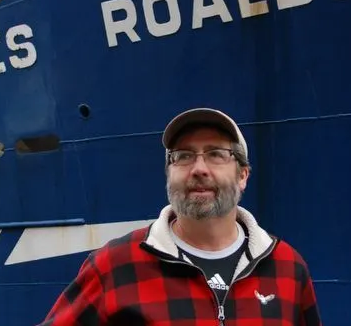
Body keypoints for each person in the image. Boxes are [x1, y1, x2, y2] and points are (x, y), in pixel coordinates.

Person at [38, 107, 322, 325]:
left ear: (243, 175)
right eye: (184, 156)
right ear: (169, 173)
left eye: (216, 154)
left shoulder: (287, 267)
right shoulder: (115, 266)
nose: (199, 168)